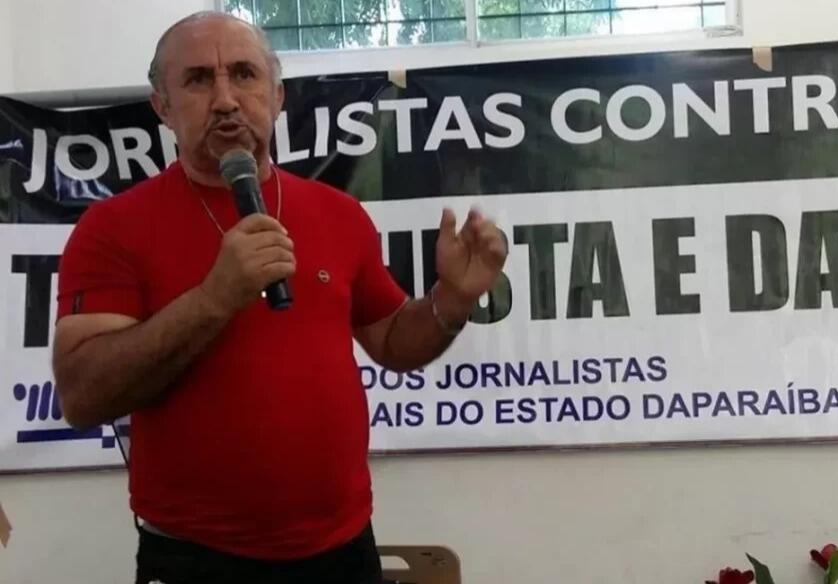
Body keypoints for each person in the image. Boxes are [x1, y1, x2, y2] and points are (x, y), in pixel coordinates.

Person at [51, 10, 507, 584]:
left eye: (244, 74)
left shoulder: (338, 213)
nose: (225, 100)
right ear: (162, 106)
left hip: (341, 548)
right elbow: (83, 397)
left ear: (277, 95)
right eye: (198, 79)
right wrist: (214, 298)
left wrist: (452, 300)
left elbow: (394, 340)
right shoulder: (112, 227)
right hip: (195, 558)